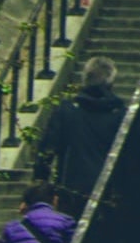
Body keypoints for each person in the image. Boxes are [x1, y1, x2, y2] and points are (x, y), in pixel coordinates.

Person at [37, 55, 126, 217]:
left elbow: (47, 151)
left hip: (70, 190)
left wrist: (40, 185)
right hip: (109, 194)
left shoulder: (66, 111)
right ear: (111, 82)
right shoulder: (121, 115)